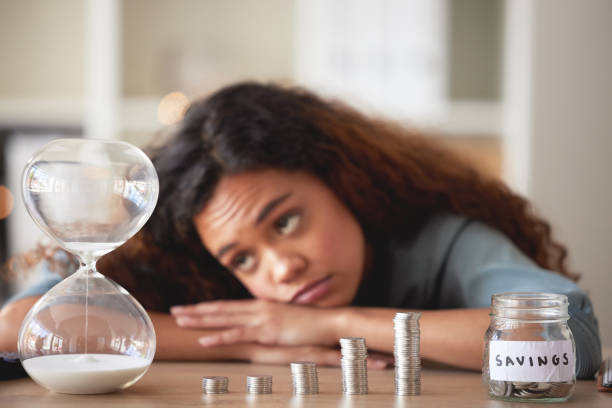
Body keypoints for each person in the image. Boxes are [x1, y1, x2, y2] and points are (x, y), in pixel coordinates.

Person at [0, 82, 601, 377]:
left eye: (286, 221)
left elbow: (568, 338)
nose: (280, 269)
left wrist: (330, 323)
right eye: (243, 260)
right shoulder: (190, 260)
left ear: (343, 181)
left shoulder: (439, 240)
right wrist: (254, 341)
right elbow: (17, 324)